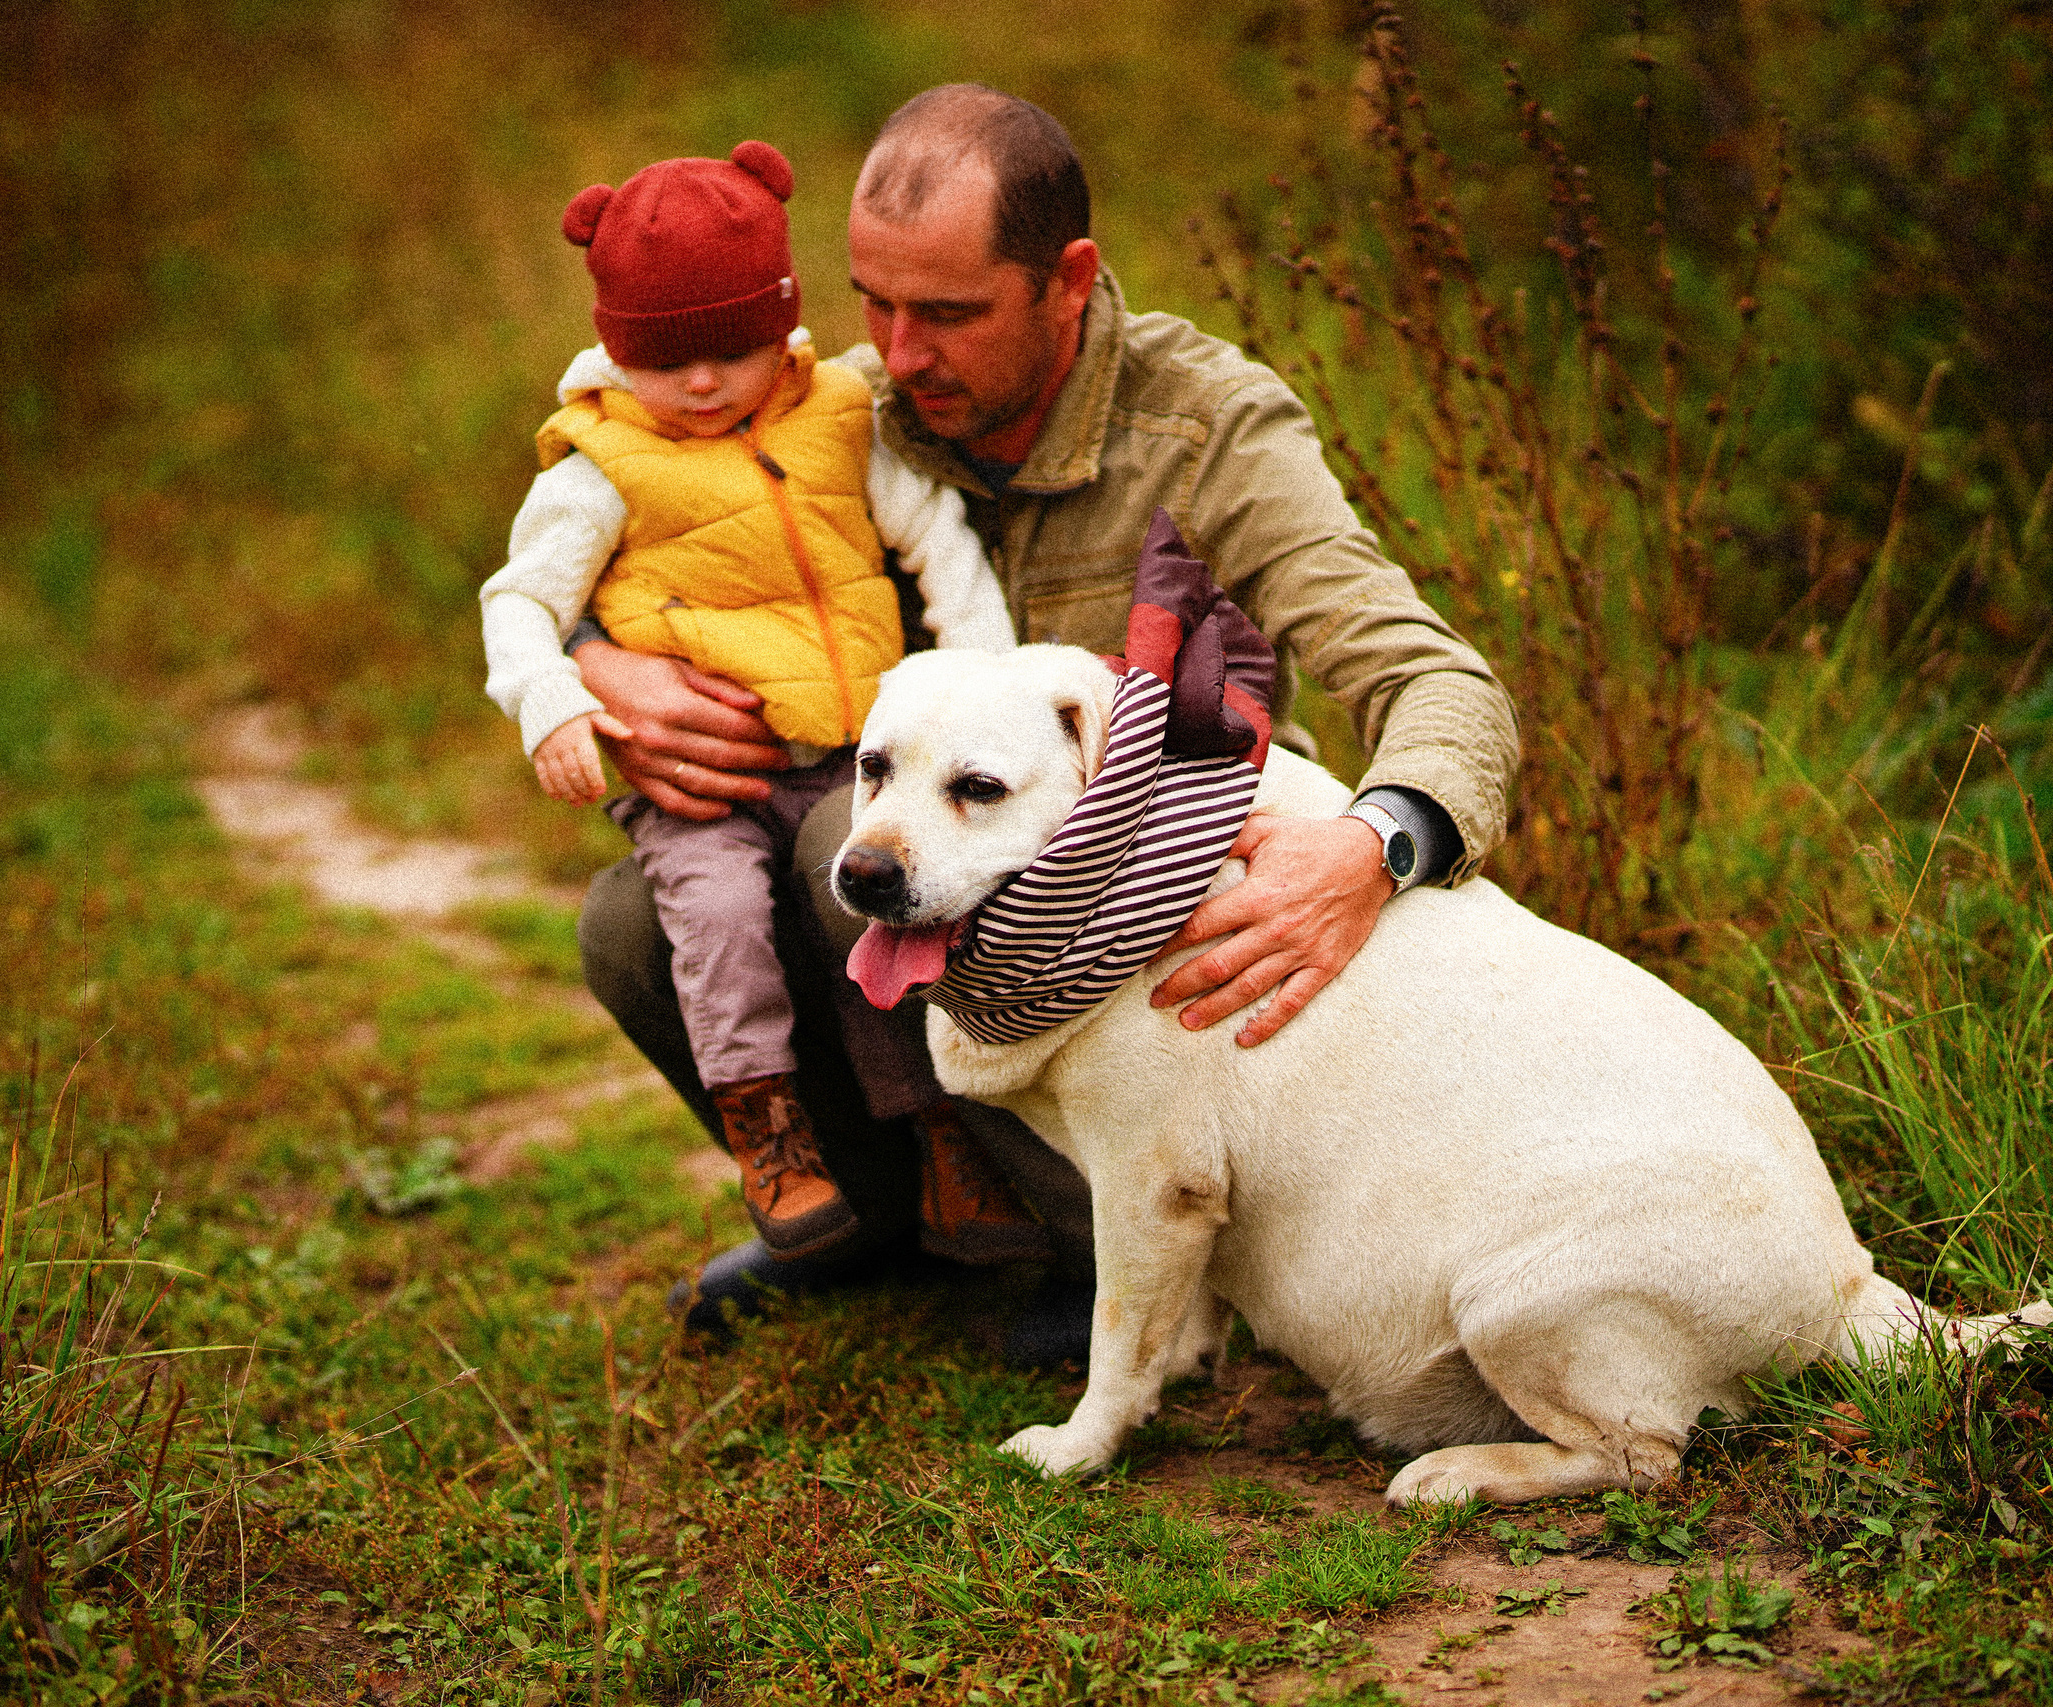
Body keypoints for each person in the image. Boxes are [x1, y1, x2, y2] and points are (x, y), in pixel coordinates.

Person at [570, 89, 1521, 1357]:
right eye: (874, 303)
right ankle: (873, 1219)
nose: (900, 353)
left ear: (1067, 282)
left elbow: (1435, 680)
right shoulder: (835, 415)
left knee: (842, 849)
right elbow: (614, 540)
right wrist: (597, 664)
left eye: (949, 313)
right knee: (632, 925)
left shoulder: (1212, 429)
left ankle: (1116, 1260)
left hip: (1153, 898)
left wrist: (1371, 847)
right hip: (926, 865)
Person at [480, 141, 1051, 1271]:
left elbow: (936, 543)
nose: (702, 384)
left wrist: (988, 684)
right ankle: (769, 1130)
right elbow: (520, 599)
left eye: (732, 352)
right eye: (665, 359)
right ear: (616, 345)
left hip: (845, 753)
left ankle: (942, 1143)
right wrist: (553, 699)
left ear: (781, 323)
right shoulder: (599, 461)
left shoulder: (839, 415)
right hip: (707, 782)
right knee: (720, 926)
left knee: (869, 930)